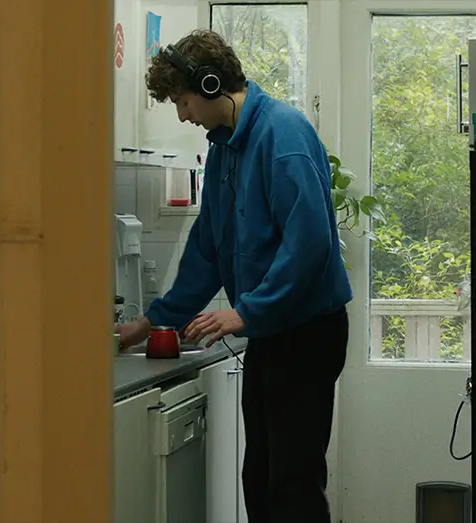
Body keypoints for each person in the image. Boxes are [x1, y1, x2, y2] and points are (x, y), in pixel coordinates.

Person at [117, 29, 352, 523]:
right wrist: (153, 321)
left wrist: (247, 311)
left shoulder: (281, 136)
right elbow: (208, 248)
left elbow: (309, 247)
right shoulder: (225, 148)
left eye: (183, 101)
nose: (183, 115)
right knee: (261, 478)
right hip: (271, 330)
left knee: (293, 484)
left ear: (208, 85)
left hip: (308, 333)